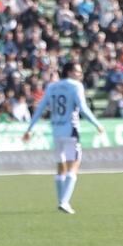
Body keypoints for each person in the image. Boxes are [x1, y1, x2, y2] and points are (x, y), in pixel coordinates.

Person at [22, 62, 104, 214]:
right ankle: (65, 202)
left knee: (61, 168)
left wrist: (29, 129)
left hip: (56, 131)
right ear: (70, 72)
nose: (80, 75)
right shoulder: (76, 86)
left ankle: (61, 201)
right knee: (74, 165)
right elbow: (83, 108)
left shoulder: (52, 87)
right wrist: (97, 124)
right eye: (78, 72)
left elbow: (40, 108)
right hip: (70, 130)